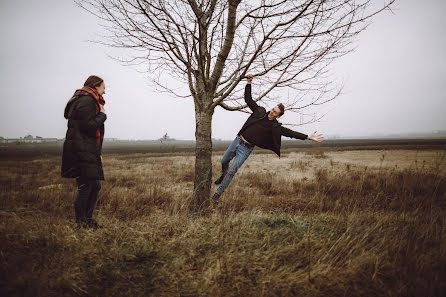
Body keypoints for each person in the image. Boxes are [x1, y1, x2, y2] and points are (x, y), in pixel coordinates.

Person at [212, 74, 324, 204]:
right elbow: (248, 99)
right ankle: (222, 175)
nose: (272, 112)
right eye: (273, 109)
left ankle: (217, 195)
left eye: (275, 112)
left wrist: (308, 137)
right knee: (224, 160)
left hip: (246, 149)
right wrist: (249, 82)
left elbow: (290, 133)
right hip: (238, 140)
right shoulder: (259, 111)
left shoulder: (275, 127)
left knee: (232, 171)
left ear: (278, 116)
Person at [61, 75, 107, 228]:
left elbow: (87, 131)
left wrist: (97, 153)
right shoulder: (87, 101)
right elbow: (88, 126)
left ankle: (86, 220)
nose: (105, 91)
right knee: (87, 186)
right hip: (81, 150)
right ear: (96, 86)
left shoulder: (86, 99)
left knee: (94, 185)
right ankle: (82, 223)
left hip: (85, 149)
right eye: (103, 87)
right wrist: (102, 115)